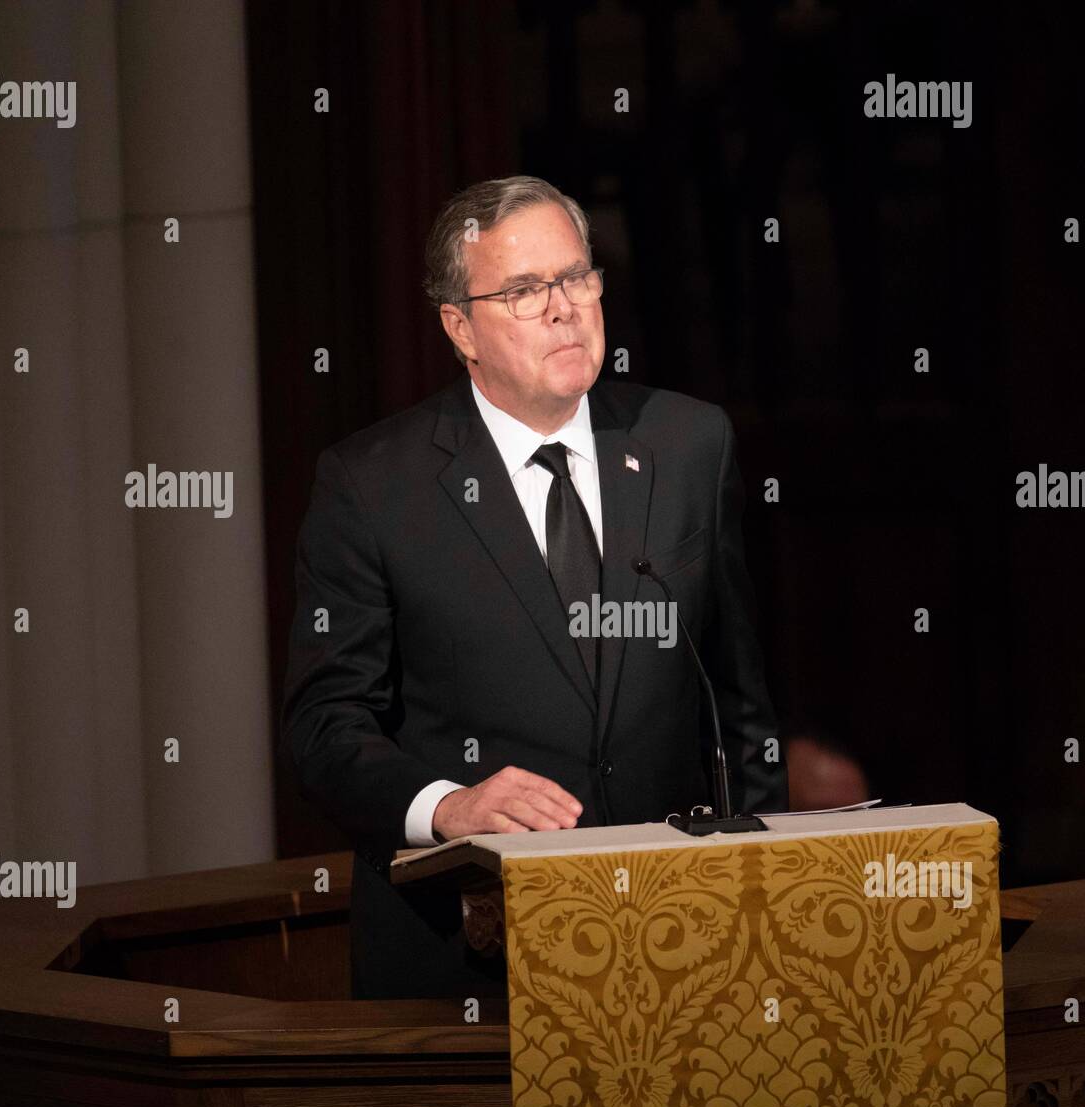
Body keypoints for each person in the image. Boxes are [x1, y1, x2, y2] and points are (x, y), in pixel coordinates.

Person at [280, 175, 787, 998]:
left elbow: (738, 705)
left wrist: (770, 900)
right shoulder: (372, 486)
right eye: (523, 290)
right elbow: (324, 728)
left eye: (575, 277)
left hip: (681, 949)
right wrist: (448, 808)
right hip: (470, 956)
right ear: (460, 328)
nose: (563, 307)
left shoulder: (688, 444)